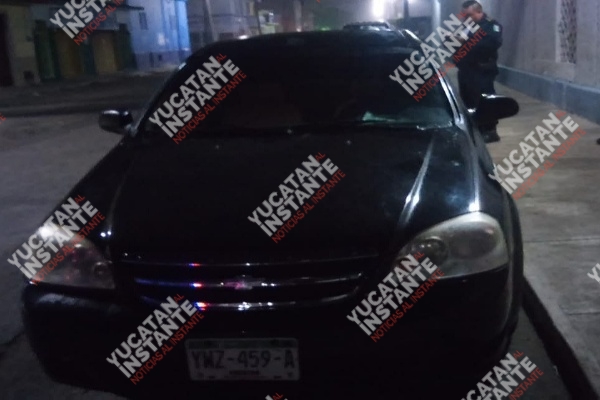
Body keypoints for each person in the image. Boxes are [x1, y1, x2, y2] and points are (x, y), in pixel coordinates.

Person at [456, 1, 503, 142]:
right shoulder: (466, 26)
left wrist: (466, 42)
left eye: (469, 15)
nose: (467, 18)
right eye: (465, 15)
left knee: (485, 100)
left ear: (479, 12)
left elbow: (491, 44)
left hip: (482, 69)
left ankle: (490, 130)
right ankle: (475, 129)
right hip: (466, 69)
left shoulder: (491, 25)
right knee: (468, 100)